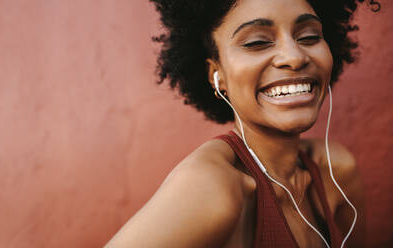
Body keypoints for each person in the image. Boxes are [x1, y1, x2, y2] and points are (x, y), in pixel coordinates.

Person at [106, 0, 380, 247]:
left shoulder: (336, 171)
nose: (295, 57)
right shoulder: (211, 188)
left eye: (309, 36)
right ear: (217, 74)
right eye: (257, 42)